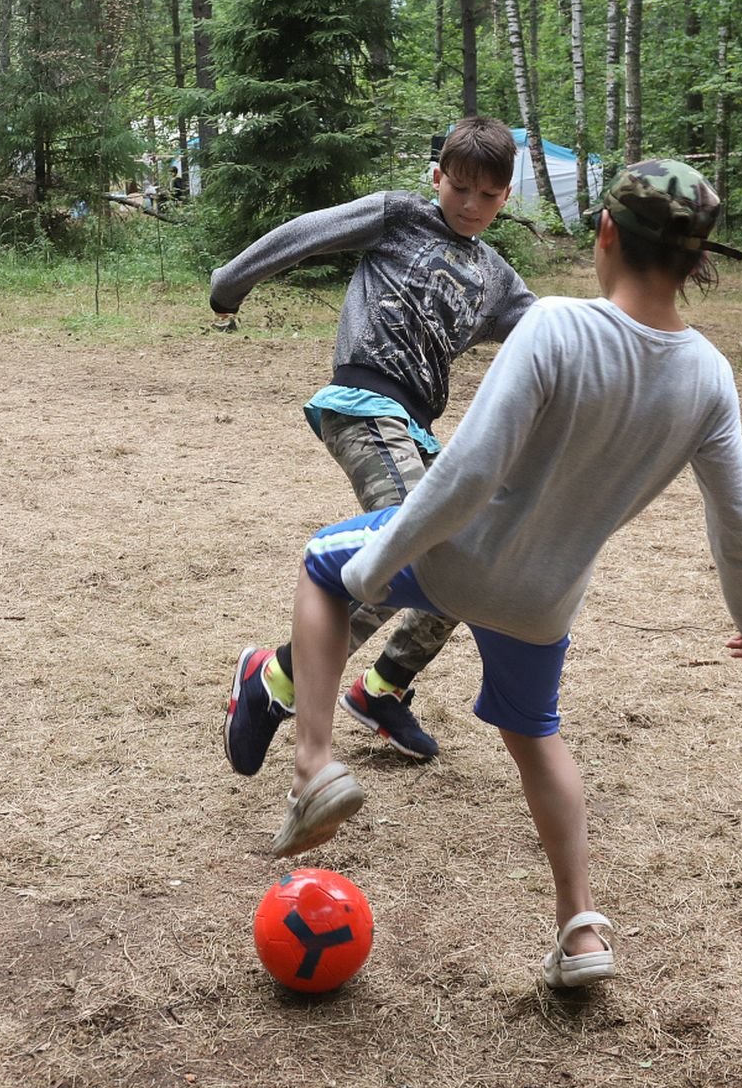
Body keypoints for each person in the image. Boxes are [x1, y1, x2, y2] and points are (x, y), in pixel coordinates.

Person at [224, 160, 742, 989]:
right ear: (697, 259)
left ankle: (313, 764)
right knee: (537, 739)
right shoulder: (708, 377)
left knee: (321, 569)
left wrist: (381, 560)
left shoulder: (557, 326)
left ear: (608, 236)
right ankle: (581, 930)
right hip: (545, 601)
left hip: (459, 557)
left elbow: (471, 470)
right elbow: (740, 522)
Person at [211, 117, 534, 764]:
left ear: (506, 197)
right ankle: (272, 680)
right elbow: (307, 233)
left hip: (416, 426)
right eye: (459, 188)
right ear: (437, 176)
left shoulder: (498, 279)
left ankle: (383, 689)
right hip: (364, 404)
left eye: (488, 196)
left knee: (469, 558)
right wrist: (232, 282)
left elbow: (550, 334)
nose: (470, 206)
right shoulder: (400, 216)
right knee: (415, 554)